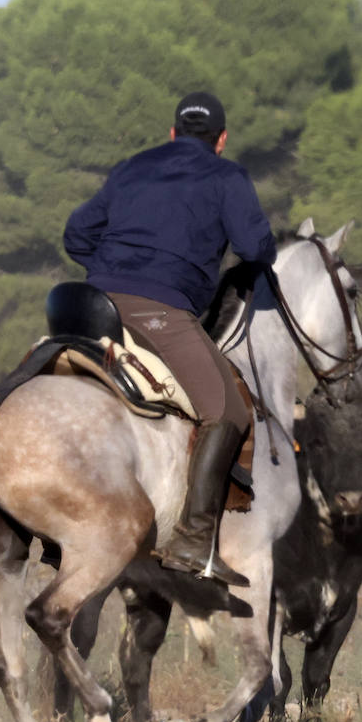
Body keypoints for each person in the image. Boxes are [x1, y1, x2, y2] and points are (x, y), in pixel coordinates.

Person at [63, 91, 277, 586]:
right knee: (229, 411)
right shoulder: (227, 176)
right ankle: (194, 540)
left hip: (87, 304)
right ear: (221, 140)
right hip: (158, 312)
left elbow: (76, 235)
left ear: (172, 133)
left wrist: (111, 270)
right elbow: (252, 247)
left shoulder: (131, 168)